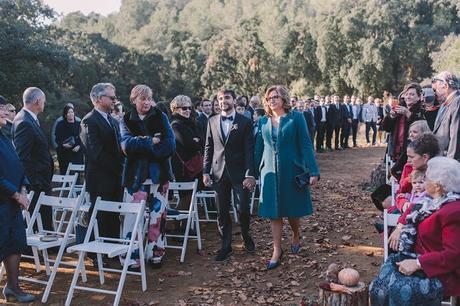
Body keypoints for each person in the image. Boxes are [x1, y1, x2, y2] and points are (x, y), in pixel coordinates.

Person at [370, 156, 460, 306]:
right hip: (419, 260)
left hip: (440, 272)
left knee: (398, 290)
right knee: (380, 286)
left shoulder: (453, 211)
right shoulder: (429, 203)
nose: (424, 181)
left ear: (437, 185)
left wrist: (418, 263)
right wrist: (399, 228)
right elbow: (409, 212)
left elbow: (453, 255)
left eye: (427, 178)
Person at [254, 85, 320, 270]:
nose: (272, 100)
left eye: (275, 97)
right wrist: (251, 173)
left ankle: (296, 233)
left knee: (291, 210)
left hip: (292, 170)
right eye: (269, 98)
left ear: (283, 98)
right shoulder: (263, 121)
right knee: (274, 213)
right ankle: (277, 250)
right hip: (269, 172)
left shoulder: (297, 118)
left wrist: (313, 171)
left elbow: (306, 144)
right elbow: (258, 147)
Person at [120, 84, 175, 267]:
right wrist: (151, 141)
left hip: (159, 176)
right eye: (142, 98)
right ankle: (131, 256)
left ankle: (156, 252)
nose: (146, 102)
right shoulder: (126, 119)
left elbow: (170, 146)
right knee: (131, 218)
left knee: (157, 217)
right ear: (133, 100)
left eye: (149, 98)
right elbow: (126, 146)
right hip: (135, 177)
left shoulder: (161, 117)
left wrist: (142, 147)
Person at [203, 89, 256, 262]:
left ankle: (246, 235)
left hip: (240, 173)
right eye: (219, 98)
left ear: (234, 100)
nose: (223, 101)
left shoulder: (245, 122)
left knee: (243, 209)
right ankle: (225, 246)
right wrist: (205, 171)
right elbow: (208, 148)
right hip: (218, 173)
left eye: (226, 98)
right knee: (221, 211)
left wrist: (250, 174)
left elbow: (249, 150)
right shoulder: (211, 121)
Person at [80, 83, 123, 257]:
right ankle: (94, 253)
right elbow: (95, 153)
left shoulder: (112, 120)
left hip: (115, 178)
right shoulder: (89, 121)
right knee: (99, 216)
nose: (115, 100)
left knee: (113, 216)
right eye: (111, 98)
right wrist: (118, 168)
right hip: (100, 179)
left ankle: (111, 251)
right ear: (98, 99)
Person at [0, 100, 35, 303]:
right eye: (1, 109)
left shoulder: (5, 136)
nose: (5, 112)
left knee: (16, 244)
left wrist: (23, 187)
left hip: (12, 203)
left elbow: (18, 164)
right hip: (2, 201)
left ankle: (13, 288)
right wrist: (15, 194)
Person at [12, 87, 53, 231]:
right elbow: (22, 156)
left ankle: (48, 246)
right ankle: (33, 248)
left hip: (40, 180)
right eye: (43, 101)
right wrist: (33, 182)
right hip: (36, 182)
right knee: (34, 218)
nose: (44, 103)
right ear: (37, 101)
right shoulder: (24, 121)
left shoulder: (29, 119)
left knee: (43, 216)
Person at [382, 83, 425, 178]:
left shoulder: (422, 110)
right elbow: (385, 128)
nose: (408, 97)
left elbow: (421, 128)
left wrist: (408, 114)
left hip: (412, 152)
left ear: (419, 97)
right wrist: (391, 116)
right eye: (407, 94)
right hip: (396, 150)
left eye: (412, 94)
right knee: (395, 179)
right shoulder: (398, 107)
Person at [170, 95, 203, 207]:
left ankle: (185, 223)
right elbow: (188, 144)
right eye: (184, 108)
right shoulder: (175, 125)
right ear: (176, 109)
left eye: (189, 108)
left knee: (191, 199)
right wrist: (196, 141)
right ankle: (180, 223)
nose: (188, 110)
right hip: (183, 168)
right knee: (186, 198)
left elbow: (202, 142)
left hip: (196, 166)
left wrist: (196, 141)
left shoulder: (192, 123)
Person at [431, 71, 460, 161]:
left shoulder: (457, 102)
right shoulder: (446, 104)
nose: (434, 94)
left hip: (450, 161)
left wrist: (450, 163)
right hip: (442, 158)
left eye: (435, 90)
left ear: (445, 86)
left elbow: (456, 135)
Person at [55, 105, 84, 174]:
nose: (71, 114)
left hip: (76, 153)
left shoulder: (79, 124)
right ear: (65, 115)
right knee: (65, 174)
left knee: (76, 175)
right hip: (64, 154)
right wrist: (63, 144)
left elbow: (83, 138)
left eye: (72, 112)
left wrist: (79, 146)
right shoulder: (60, 125)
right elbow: (57, 139)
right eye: (68, 112)